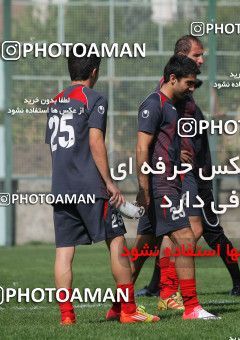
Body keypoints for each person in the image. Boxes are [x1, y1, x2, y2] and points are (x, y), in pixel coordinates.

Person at [46, 45, 159, 325]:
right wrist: (109, 182)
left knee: (64, 252)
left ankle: (67, 317)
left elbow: (55, 147)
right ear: (94, 71)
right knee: (117, 243)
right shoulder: (94, 98)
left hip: (61, 187)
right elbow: (95, 140)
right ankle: (129, 310)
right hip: (89, 187)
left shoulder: (54, 102)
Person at [135, 54, 219, 320]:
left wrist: (175, 155)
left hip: (168, 184)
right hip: (161, 186)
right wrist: (144, 188)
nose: (192, 89)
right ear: (173, 79)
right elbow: (141, 147)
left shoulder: (172, 106)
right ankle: (192, 307)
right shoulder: (154, 103)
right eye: (189, 83)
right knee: (185, 238)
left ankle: (118, 305)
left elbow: (162, 145)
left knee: (140, 252)